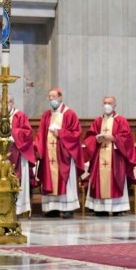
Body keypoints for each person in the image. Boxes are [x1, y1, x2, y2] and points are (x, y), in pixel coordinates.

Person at [34, 88, 84, 218]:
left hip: (64, 154)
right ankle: (52, 209)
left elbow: (76, 133)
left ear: (60, 98)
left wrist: (60, 133)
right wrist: (38, 149)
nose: (51, 99)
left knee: (65, 180)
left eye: (54, 97)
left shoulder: (69, 114)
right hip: (48, 155)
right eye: (49, 97)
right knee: (49, 179)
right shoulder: (46, 115)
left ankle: (68, 208)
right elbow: (40, 134)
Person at [84, 96, 136, 216]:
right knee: (98, 180)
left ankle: (117, 208)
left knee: (115, 179)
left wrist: (113, 138)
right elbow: (89, 137)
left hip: (115, 157)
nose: (107, 105)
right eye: (105, 103)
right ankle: (100, 208)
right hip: (100, 155)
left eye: (109, 103)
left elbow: (127, 139)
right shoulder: (98, 121)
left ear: (114, 105)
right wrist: (96, 140)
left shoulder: (121, 120)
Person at [0, 95, 36, 215]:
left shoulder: (20, 116)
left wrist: (12, 131)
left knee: (15, 178)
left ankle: (16, 209)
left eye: (7, 102)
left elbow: (27, 133)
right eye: (2, 102)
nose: (4, 105)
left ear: (12, 102)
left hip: (16, 153)